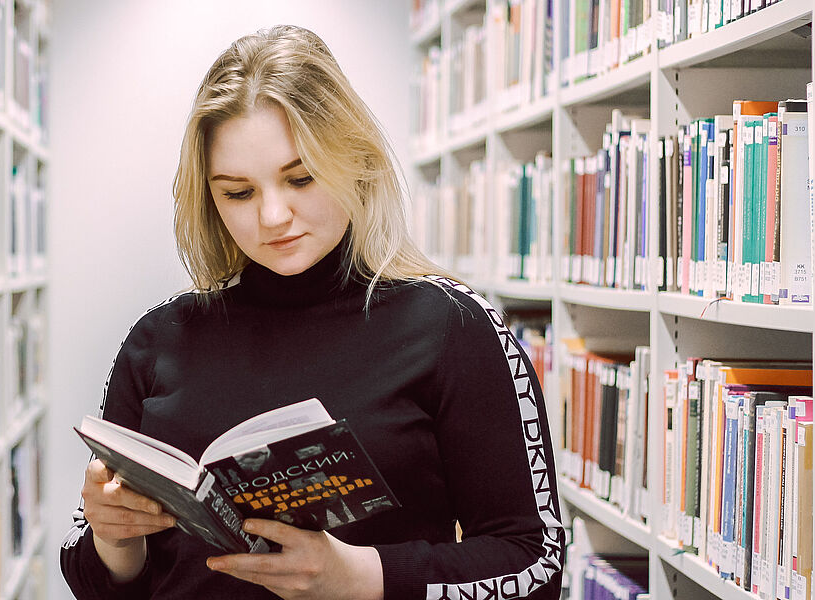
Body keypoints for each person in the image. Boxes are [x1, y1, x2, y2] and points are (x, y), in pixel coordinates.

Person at [60, 24, 564, 600]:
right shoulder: (157, 341)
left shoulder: (454, 325)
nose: (273, 216)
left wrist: (362, 578)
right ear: (207, 197)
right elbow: (96, 583)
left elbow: (535, 562)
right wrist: (115, 540)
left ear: (353, 160)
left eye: (300, 178)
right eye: (238, 192)